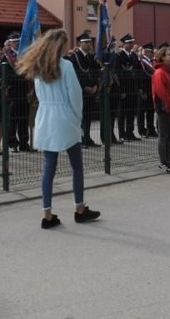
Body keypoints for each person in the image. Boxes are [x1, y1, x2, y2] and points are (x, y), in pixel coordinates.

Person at [17, 29, 100, 229]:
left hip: (46, 117)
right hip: (64, 118)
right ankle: (79, 209)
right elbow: (75, 95)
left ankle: (47, 214)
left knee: (48, 167)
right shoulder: (66, 66)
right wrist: (76, 118)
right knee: (76, 166)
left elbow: (39, 94)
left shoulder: (38, 67)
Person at [68, 30, 100, 148]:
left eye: (89, 42)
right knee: (80, 116)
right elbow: (75, 74)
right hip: (81, 91)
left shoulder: (91, 56)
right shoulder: (75, 57)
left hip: (92, 89)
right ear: (80, 43)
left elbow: (95, 72)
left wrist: (95, 85)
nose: (89, 44)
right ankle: (79, 139)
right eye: (86, 42)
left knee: (88, 116)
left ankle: (87, 137)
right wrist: (84, 87)